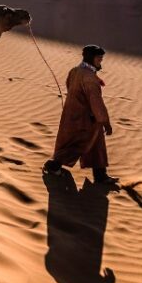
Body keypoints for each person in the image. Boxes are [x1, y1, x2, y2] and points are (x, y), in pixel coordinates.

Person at [43, 45, 116, 184]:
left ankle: (100, 175)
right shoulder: (89, 78)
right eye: (98, 58)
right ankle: (53, 166)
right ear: (90, 58)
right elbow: (96, 102)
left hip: (74, 114)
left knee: (96, 144)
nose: (101, 61)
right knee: (78, 144)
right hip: (85, 119)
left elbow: (69, 86)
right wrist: (105, 122)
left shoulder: (75, 71)